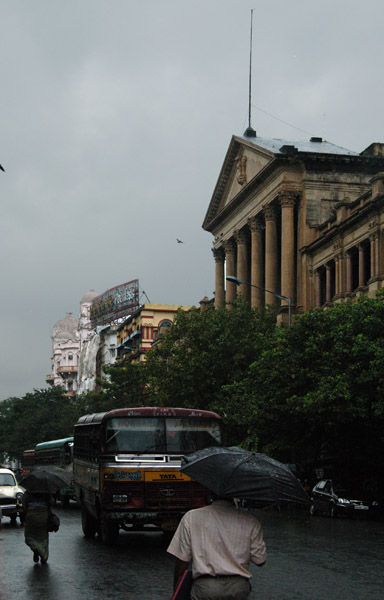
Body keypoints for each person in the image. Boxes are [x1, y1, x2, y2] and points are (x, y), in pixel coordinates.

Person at [167, 496, 266, 600]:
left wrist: (176, 591)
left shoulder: (191, 517)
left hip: (206, 588)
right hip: (238, 588)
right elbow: (260, 560)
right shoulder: (250, 521)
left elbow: (182, 562)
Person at [22, 491, 52, 564]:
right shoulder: (46, 492)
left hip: (31, 516)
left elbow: (23, 505)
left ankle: (36, 548)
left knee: (29, 535)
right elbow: (51, 502)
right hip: (44, 515)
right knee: (43, 535)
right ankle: (44, 555)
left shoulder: (28, 493)